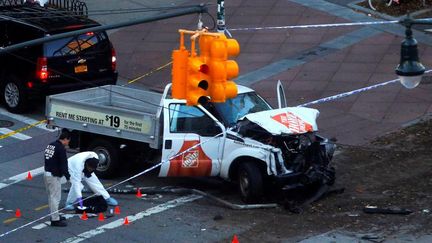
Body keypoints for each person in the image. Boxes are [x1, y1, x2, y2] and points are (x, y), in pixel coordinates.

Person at [44, 129, 71, 227]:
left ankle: (54, 215)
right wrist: (68, 177)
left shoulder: (50, 145)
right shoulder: (61, 149)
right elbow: (63, 165)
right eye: (68, 140)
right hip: (54, 176)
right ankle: (55, 220)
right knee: (55, 198)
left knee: (51, 197)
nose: (68, 143)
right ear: (64, 139)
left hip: (47, 173)